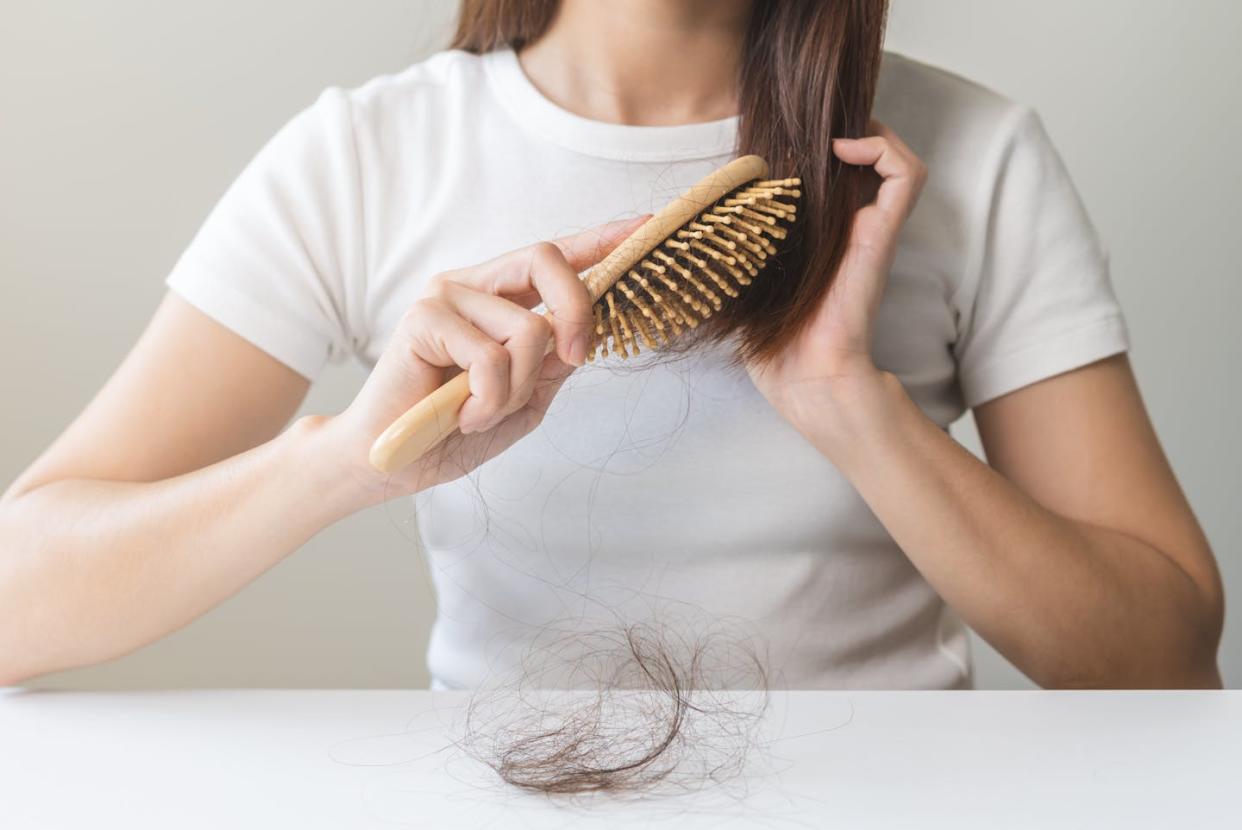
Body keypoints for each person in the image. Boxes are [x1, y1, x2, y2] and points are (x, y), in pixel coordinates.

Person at [0, 0, 1223, 690]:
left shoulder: (974, 157)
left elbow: (1162, 656)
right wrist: (350, 463)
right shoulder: (365, 158)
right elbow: (17, 609)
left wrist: (851, 400)